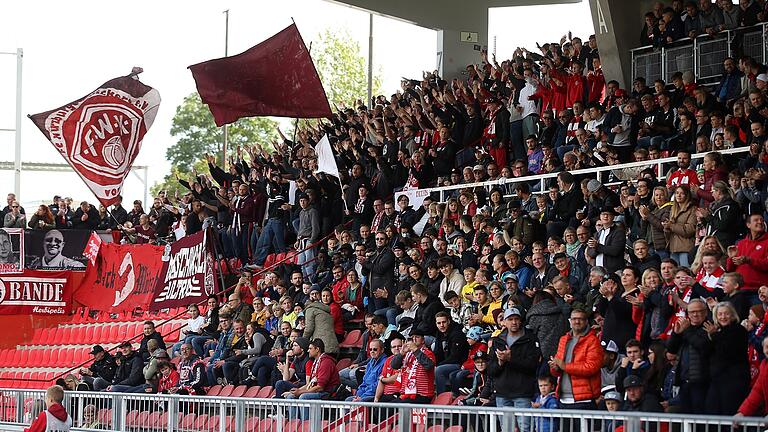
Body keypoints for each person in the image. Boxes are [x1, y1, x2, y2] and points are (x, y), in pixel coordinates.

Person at [489, 307, 541, 432]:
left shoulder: (531, 339)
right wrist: (500, 363)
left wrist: (511, 359)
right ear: (504, 322)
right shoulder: (497, 341)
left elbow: (532, 365)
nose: (514, 322)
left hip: (522, 392)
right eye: (510, 319)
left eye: (516, 319)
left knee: (526, 429)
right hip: (502, 393)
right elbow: (490, 370)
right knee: (506, 429)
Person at [549, 307, 603, 412]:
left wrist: (564, 366)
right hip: (563, 399)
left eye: (580, 319)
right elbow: (557, 371)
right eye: (574, 319)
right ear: (570, 321)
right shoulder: (563, 339)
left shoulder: (593, 341)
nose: (577, 321)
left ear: (586, 321)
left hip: (584, 400)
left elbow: (591, 368)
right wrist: (555, 367)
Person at [704, 302, 750, 415]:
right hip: (718, 380)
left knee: (729, 413)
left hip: (734, 381)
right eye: (720, 314)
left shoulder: (738, 330)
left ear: (733, 315)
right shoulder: (719, 332)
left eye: (726, 314)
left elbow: (727, 351)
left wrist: (714, 335)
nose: (723, 317)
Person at [666, 299, 710, 414]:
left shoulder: (710, 327)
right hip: (684, 381)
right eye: (691, 312)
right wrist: (676, 334)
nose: (695, 314)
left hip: (702, 382)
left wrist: (686, 331)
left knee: (699, 419)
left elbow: (701, 345)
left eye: (699, 311)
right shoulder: (686, 329)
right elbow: (671, 350)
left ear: (705, 312)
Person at [285, 339, 339, 418]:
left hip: (327, 393)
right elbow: (310, 384)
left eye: (310, 348)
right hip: (317, 390)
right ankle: (294, 425)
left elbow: (320, 387)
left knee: (303, 397)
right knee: (291, 396)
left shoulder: (326, 362)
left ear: (317, 349)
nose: (308, 351)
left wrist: (300, 392)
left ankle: (305, 425)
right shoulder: (316, 361)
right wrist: (298, 391)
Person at [726, 212, 768, 293]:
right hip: (739, 290)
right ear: (748, 225)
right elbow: (729, 269)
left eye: (762, 220)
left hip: (758, 291)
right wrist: (731, 258)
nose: (760, 222)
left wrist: (748, 260)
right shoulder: (741, 243)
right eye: (756, 220)